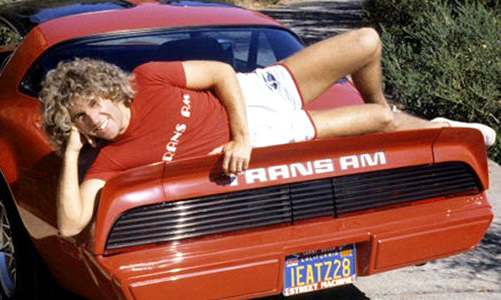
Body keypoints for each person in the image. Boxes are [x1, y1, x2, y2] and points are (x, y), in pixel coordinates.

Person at [40, 28, 496, 236]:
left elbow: (220, 72)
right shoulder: (112, 158)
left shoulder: (148, 77)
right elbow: (70, 224)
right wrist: (71, 153)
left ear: (107, 90)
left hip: (257, 89)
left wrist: (238, 137)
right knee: (380, 125)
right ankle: (435, 128)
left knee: (367, 41)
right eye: (81, 119)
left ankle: (382, 104)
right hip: (274, 132)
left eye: (94, 105)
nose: (95, 118)